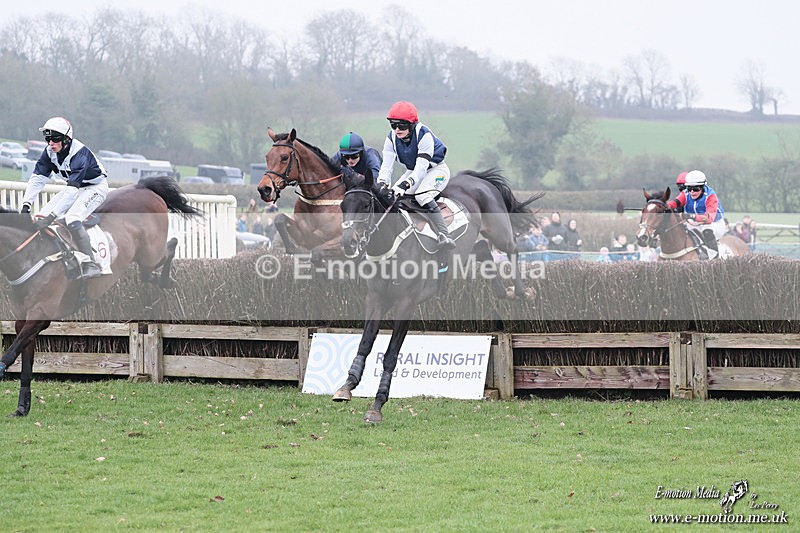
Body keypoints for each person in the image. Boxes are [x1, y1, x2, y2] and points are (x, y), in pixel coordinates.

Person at [21, 117, 108, 279]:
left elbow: (71, 192)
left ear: (67, 140)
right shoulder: (49, 152)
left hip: (95, 188)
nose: (50, 143)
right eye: (47, 139)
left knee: (72, 218)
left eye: (55, 139)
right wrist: (26, 205)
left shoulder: (79, 154)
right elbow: (37, 179)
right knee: (39, 216)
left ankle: (91, 263)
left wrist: (52, 217)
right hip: (74, 188)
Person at [377, 101, 454, 249]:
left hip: (436, 170)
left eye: (402, 126)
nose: (397, 130)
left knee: (421, 196)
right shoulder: (391, 138)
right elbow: (386, 166)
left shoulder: (424, 135)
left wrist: (405, 184)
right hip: (414, 171)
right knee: (392, 197)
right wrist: (382, 183)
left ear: (412, 125)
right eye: (393, 125)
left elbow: (421, 168)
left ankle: (444, 234)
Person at [667, 169, 727, 258]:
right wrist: (658, 206)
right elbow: (673, 204)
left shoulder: (711, 196)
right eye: (689, 188)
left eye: (695, 189)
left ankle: (715, 258)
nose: (692, 192)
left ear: (703, 187)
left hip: (714, 224)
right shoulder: (685, 193)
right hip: (695, 223)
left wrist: (689, 216)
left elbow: (708, 219)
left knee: (706, 230)